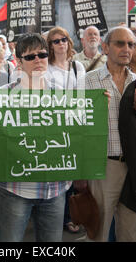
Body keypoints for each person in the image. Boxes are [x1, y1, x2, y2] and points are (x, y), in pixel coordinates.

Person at [75, 26, 136, 242]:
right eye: (120, 43)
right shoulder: (87, 81)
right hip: (102, 166)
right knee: (98, 233)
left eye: (131, 44)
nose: (127, 49)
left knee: (130, 235)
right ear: (105, 47)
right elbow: (76, 126)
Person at [0, 33, 72, 242]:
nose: (38, 60)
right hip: (15, 190)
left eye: (42, 54)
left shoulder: (65, 95)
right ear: (19, 62)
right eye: (30, 57)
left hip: (54, 190)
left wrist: (98, 108)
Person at [44, 26, 85, 234]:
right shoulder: (45, 68)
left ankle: (70, 216)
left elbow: (84, 97)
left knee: (72, 173)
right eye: (56, 41)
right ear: (49, 46)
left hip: (74, 127)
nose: (61, 44)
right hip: (52, 130)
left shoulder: (78, 67)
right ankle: (54, 218)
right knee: (57, 175)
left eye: (64, 39)